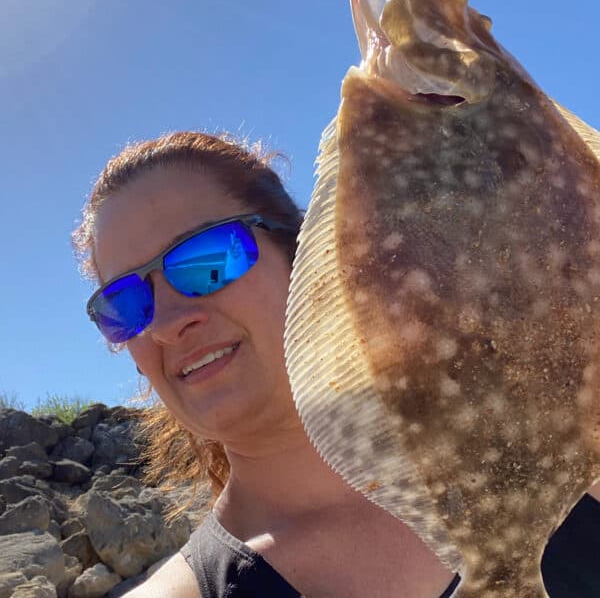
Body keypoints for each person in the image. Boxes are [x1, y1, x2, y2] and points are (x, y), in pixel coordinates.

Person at [74, 131, 600, 597]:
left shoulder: (559, 449)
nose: (165, 322)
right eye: (124, 305)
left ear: (308, 256)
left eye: (206, 260)